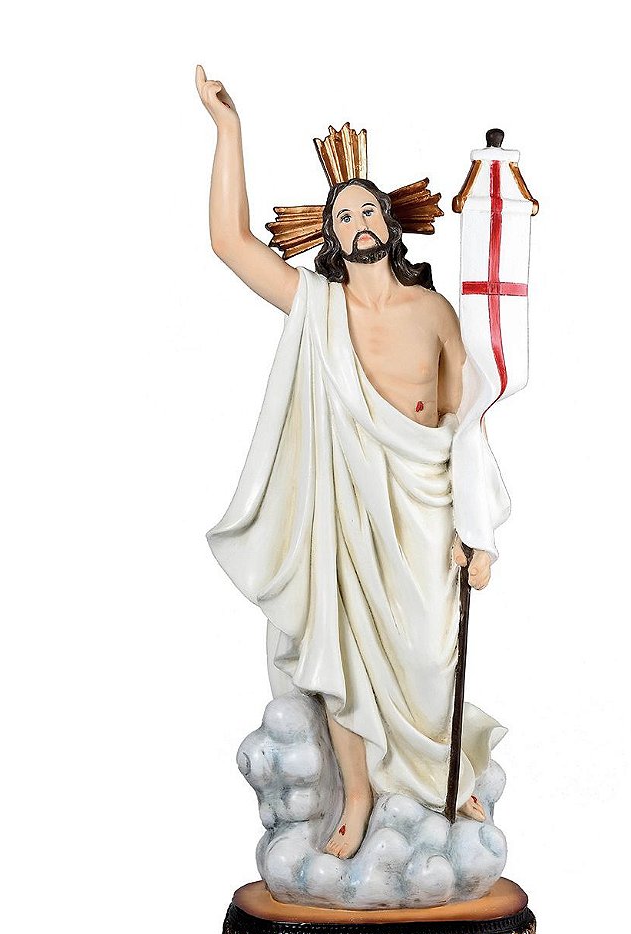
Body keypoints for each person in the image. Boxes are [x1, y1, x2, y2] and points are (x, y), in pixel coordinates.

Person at [196, 67, 509, 859]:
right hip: (343, 511)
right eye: (344, 214)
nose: (360, 220)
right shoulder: (319, 306)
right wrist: (229, 129)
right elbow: (230, 243)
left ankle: (444, 775)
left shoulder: (434, 312)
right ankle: (357, 798)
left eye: (369, 209)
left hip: (423, 510)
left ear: (391, 223)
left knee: (428, 656)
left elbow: (465, 429)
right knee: (340, 649)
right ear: (329, 236)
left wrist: (478, 534)